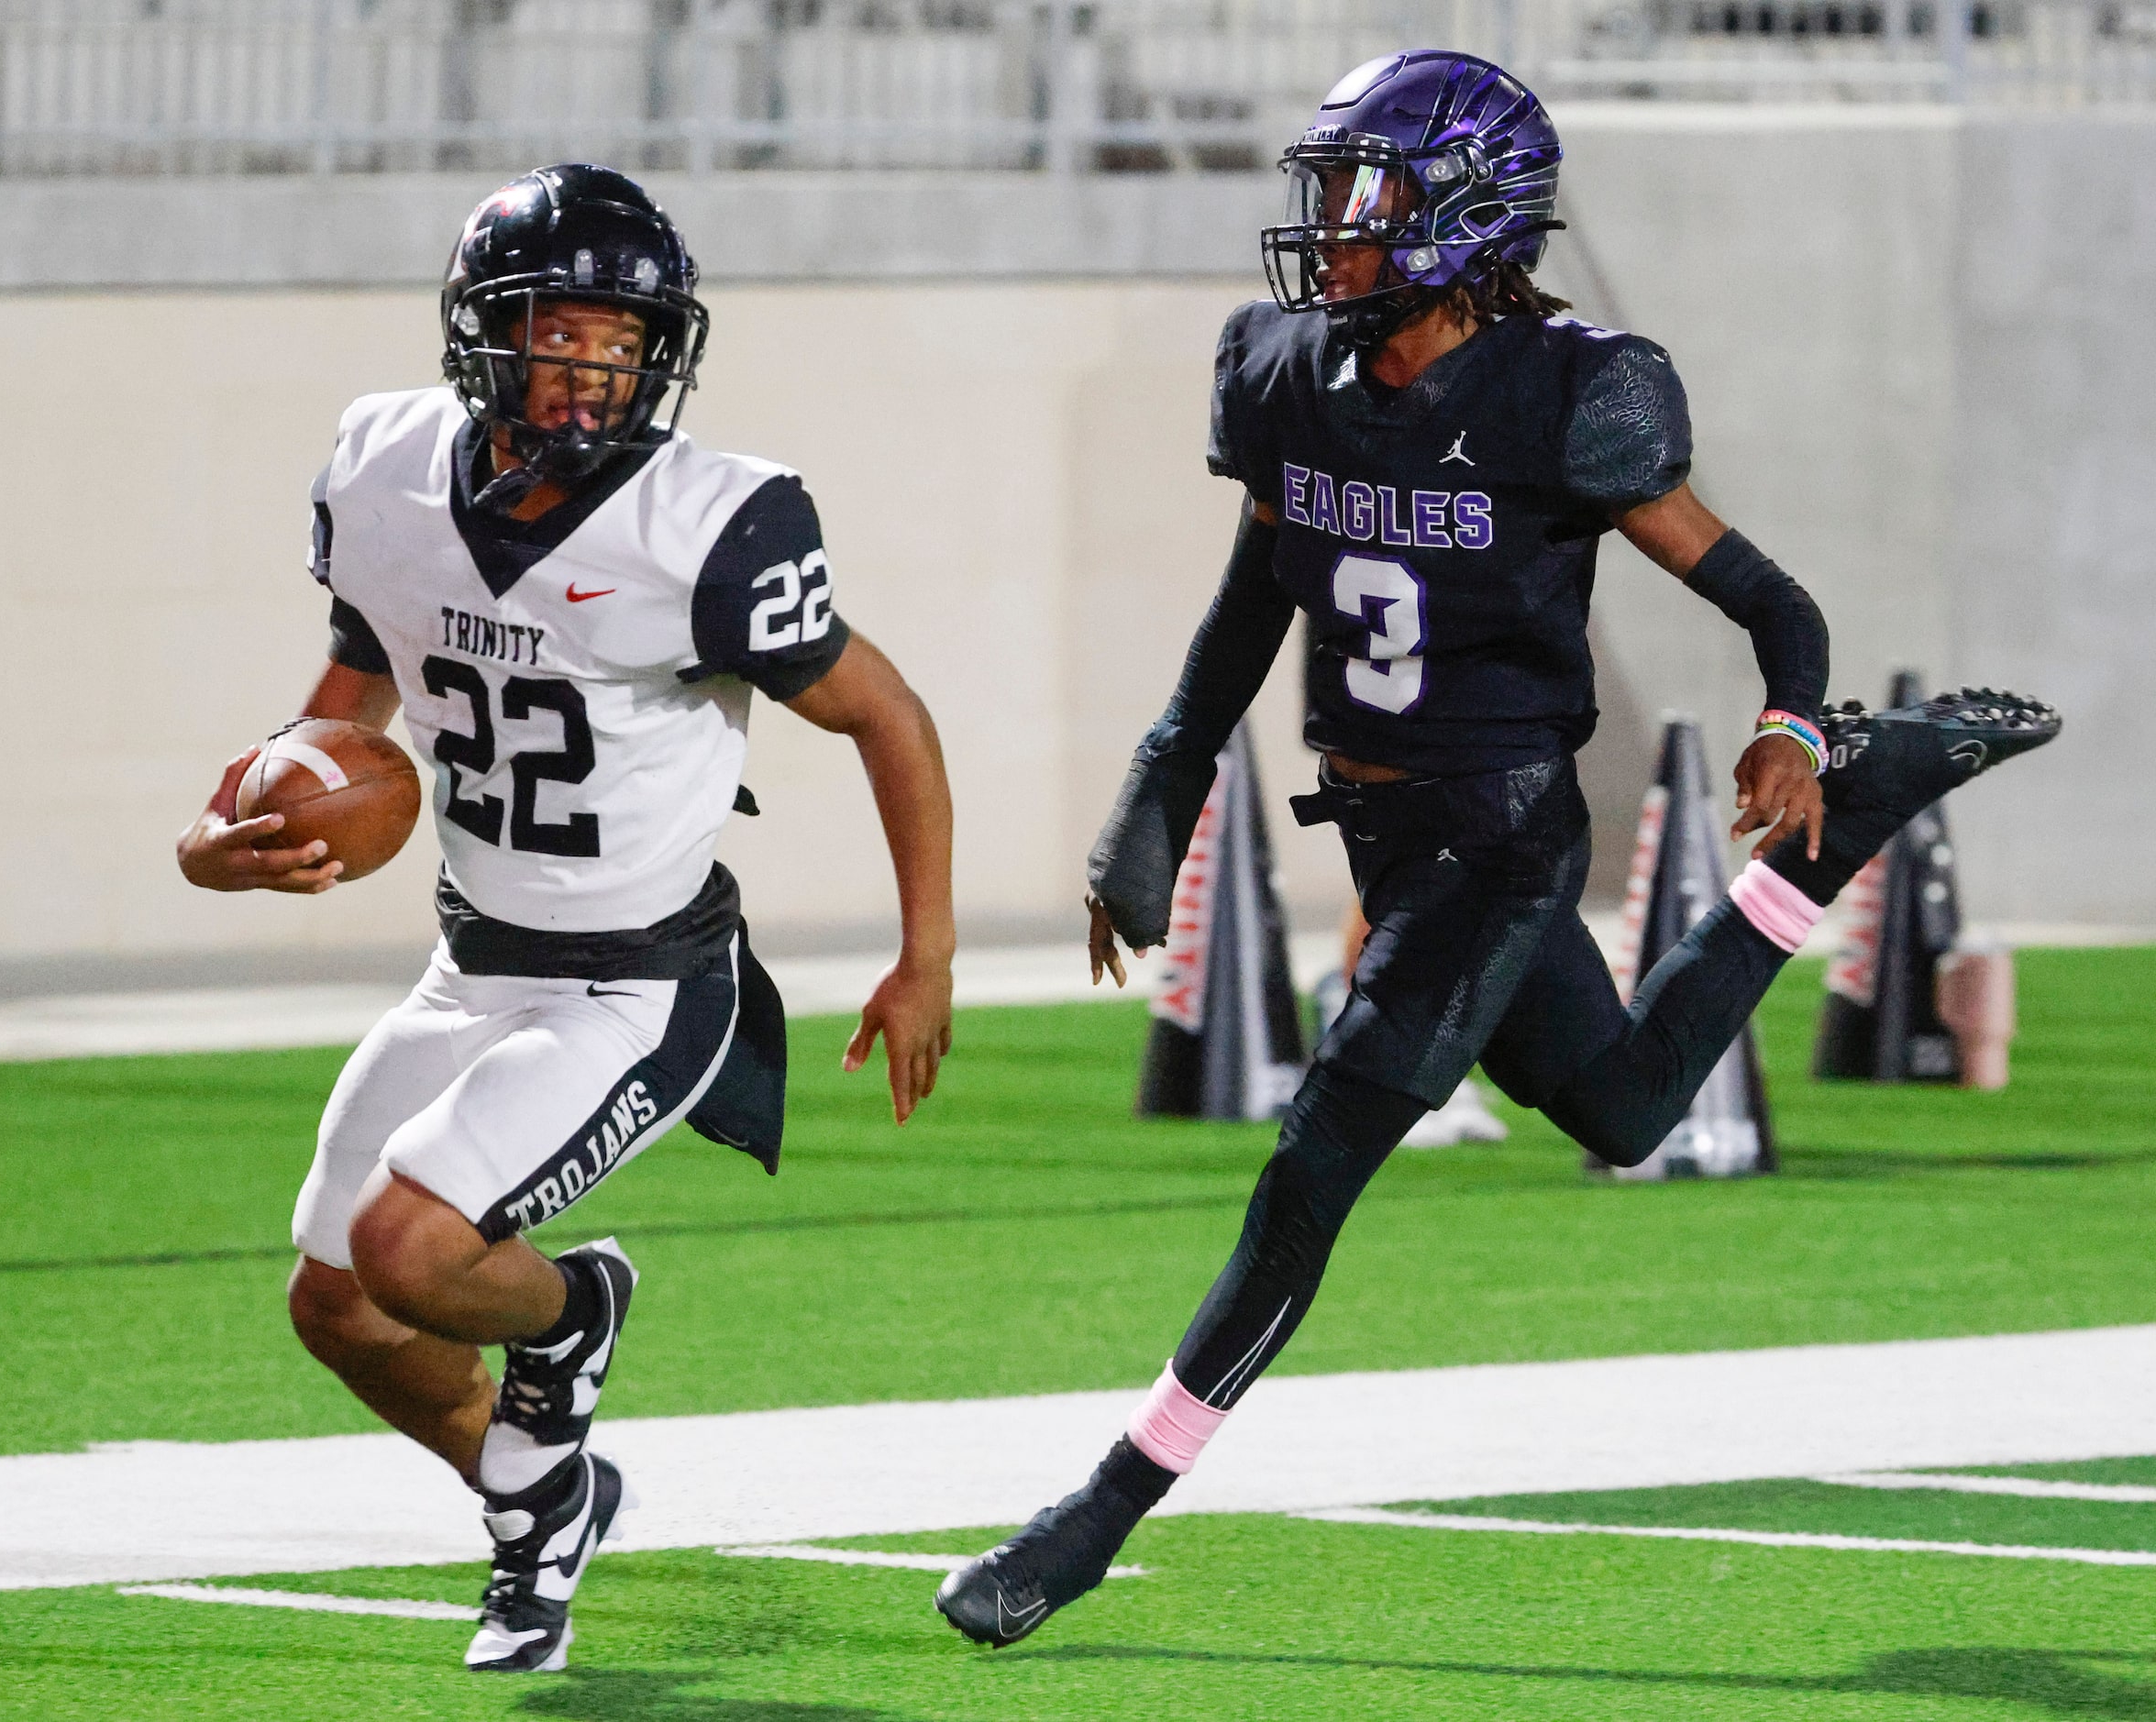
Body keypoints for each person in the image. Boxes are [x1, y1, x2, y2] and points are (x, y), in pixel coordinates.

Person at [934, 50, 2057, 1647]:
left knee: (1308, 1168)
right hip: (1392, 836)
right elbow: (1257, 601)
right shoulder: (1288, 370)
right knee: (1626, 1099)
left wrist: (1794, 718)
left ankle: (1097, 1515)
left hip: (1505, 833)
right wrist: (1165, 778)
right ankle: (1853, 829)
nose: (1332, 231)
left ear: (1470, 213)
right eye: (1330, 194)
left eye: (1369, 197)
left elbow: (1773, 603)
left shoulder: (1565, 392)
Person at [177, 164, 956, 1673]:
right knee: (337, 1301)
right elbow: (344, 706)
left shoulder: (709, 522)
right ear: (487, 334)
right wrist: (225, 832)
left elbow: (890, 714)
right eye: (565, 330)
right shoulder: (387, 466)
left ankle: (568, 1318)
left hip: (643, 984)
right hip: (476, 959)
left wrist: (924, 957)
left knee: (413, 1244)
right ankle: (541, 1489)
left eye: (623, 336)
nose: (597, 363)